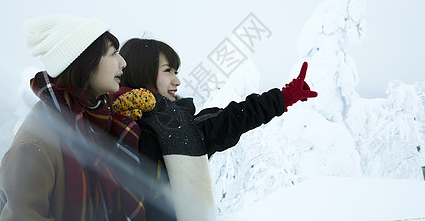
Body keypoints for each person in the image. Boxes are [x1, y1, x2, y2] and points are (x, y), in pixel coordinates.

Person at [110, 38, 318, 221]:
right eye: (167, 71)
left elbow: (231, 119)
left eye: (176, 71)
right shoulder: (106, 122)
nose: (177, 80)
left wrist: (283, 98)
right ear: (141, 72)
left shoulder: (178, 128)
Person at [0, 15, 147, 221]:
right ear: (84, 62)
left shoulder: (100, 123)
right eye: (113, 53)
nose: (123, 63)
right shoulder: (35, 144)